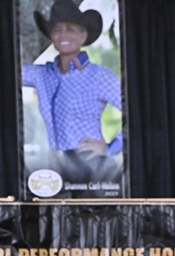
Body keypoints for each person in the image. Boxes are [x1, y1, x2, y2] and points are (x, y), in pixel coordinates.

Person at [23, 0, 122, 183]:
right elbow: (5, 72)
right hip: (57, 166)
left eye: (71, 29)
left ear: (83, 35)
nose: (63, 35)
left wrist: (110, 147)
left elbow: (137, 112)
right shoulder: (42, 74)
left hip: (92, 166)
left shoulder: (98, 76)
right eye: (57, 30)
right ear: (51, 36)